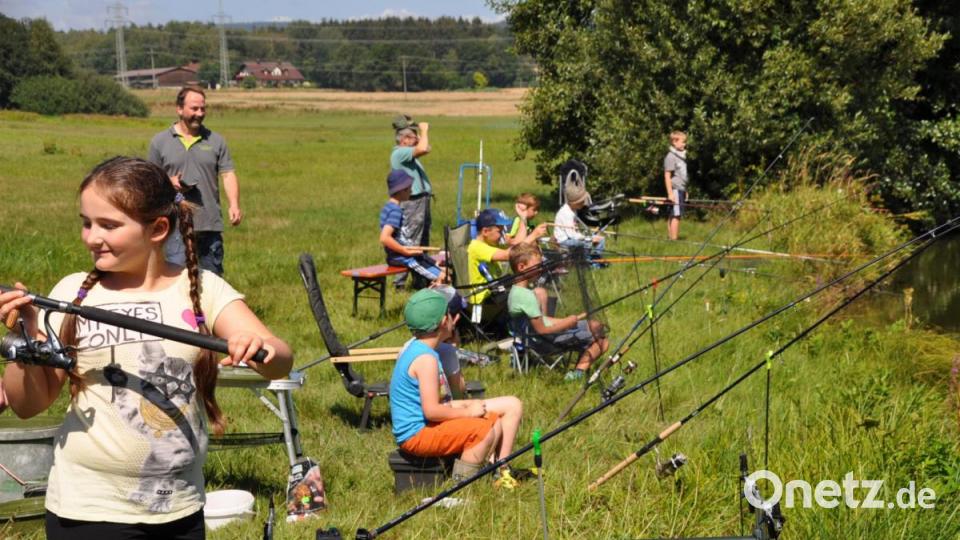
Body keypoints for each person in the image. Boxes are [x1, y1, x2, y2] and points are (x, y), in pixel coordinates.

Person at [0, 157, 293, 539]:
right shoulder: (71, 293)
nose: (91, 237)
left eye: (108, 225)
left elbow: (280, 362)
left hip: (180, 506)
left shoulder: (201, 288)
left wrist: (259, 346)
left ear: (157, 229)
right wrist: (24, 341)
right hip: (88, 509)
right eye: (87, 223)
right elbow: (27, 406)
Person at [389, 289, 523, 488]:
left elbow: (440, 402)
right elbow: (432, 411)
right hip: (416, 435)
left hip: (424, 427)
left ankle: (497, 470)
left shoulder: (423, 351)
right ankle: (462, 486)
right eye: (450, 315)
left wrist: (466, 404)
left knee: (492, 419)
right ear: (444, 321)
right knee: (483, 430)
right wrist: (468, 411)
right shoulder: (425, 359)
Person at [148, 86, 242, 276]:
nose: (199, 113)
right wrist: (168, 182)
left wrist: (234, 204)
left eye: (203, 109)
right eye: (194, 109)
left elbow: (228, 173)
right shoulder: (160, 142)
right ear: (179, 109)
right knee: (175, 282)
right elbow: (149, 180)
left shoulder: (216, 141)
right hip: (174, 225)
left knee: (211, 282)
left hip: (208, 224)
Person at [508, 243, 608, 381]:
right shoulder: (526, 296)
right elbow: (542, 330)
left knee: (595, 324)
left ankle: (580, 364)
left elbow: (543, 319)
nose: (541, 269)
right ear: (521, 267)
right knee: (602, 341)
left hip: (534, 339)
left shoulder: (517, 292)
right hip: (545, 342)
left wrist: (573, 320)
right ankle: (576, 374)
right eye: (537, 266)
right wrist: (568, 322)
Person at [380, 169, 445, 287]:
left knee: (434, 263)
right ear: (401, 190)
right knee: (444, 277)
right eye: (409, 188)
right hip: (402, 257)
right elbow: (385, 238)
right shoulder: (395, 211)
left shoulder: (388, 206)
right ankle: (432, 299)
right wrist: (405, 251)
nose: (411, 190)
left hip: (402, 255)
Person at [390, 114, 433, 289]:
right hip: (412, 203)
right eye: (413, 137)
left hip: (420, 201)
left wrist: (420, 135)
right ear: (405, 139)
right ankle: (399, 283)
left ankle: (419, 279)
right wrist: (423, 130)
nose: (417, 139)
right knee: (410, 241)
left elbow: (426, 147)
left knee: (422, 242)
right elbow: (423, 148)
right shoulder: (399, 153)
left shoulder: (408, 155)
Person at [552, 182, 606, 259]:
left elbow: (576, 230)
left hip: (572, 237)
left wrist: (590, 236)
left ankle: (596, 259)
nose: (584, 203)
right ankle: (585, 262)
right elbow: (571, 235)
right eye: (582, 201)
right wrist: (589, 238)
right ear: (575, 202)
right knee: (587, 243)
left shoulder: (573, 209)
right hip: (564, 241)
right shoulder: (566, 213)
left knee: (601, 239)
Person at [664, 131, 689, 241]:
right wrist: (670, 193)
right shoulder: (671, 156)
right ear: (674, 142)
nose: (685, 144)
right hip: (675, 190)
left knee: (675, 214)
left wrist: (686, 190)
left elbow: (682, 175)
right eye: (683, 142)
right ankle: (673, 239)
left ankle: (671, 239)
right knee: (676, 215)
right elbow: (667, 175)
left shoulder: (681, 156)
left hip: (681, 189)